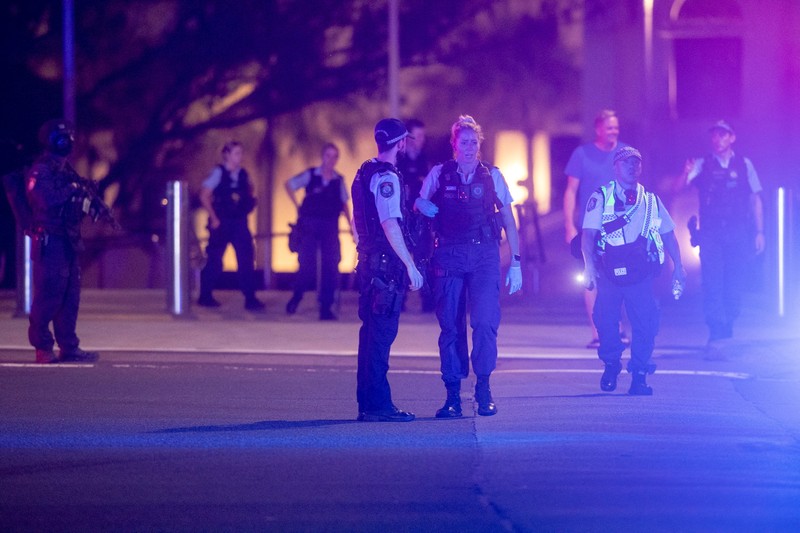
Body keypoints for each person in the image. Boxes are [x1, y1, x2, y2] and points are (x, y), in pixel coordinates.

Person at [415, 115, 522, 418]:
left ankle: (484, 389)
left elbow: (509, 222)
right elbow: (419, 207)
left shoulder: (492, 175)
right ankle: (452, 396)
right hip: (448, 254)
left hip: (485, 256)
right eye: (464, 142)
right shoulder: (439, 173)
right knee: (450, 325)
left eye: (474, 142)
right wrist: (419, 204)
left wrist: (516, 262)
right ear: (455, 144)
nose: (470, 147)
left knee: (485, 322)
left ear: (480, 144)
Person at [581, 146, 686, 395]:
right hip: (608, 274)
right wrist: (588, 267)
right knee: (605, 323)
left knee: (646, 324)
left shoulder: (650, 200)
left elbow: (669, 235)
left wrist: (679, 266)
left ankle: (639, 375)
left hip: (640, 276)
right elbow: (588, 236)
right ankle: (611, 364)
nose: (632, 167)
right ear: (615, 167)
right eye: (626, 162)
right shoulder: (601, 197)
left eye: (636, 163)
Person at [352, 118, 424, 422]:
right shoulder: (387, 177)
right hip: (384, 269)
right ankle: (379, 406)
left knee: (369, 336)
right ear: (401, 143)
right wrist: (410, 265)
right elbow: (390, 223)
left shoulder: (363, 171)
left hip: (368, 264)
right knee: (380, 337)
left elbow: (362, 221)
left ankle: (368, 404)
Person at [25, 119, 104, 364]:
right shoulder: (42, 170)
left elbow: (73, 198)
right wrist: (73, 191)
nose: (67, 140)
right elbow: (45, 199)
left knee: (70, 298)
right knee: (49, 297)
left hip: (68, 239)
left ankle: (69, 346)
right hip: (51, 241)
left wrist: (88, 203)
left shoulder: (65, 168)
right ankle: (43, 347)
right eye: (63, 136)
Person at [683, 120, 765, 345]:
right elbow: (680, 188)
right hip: (711, 233)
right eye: (714, 135)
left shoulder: (744, 164)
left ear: (732, 137)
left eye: (722, 135)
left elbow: (755, 198)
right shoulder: (702, 164)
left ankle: (728, 323)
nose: (717, 139)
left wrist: (759, 231)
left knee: (734, 281)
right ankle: (716, 329)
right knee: (712, 282)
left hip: (737, 231)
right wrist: (685, 173)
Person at [563, 109, 630, 348]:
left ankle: (619, 329)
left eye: (616, 127)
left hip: (620, 227)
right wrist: (569, 225)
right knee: (590, 278)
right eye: (610, 127)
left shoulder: (625, 154)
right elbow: (571, 191)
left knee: (620, 277)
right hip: (590, 228)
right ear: (599, 129)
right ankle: (598, 332)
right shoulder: (582, 155)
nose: (614, 131)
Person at [284, 142, 352, 320]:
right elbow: (290, 185)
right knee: (307, 265)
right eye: (328, 155)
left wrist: (351, 227)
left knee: (331, 266)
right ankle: (296, 297)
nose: (331, 160)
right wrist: (297, 206)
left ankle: (326, 307)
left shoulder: (338, 180)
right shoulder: (311, 175)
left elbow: (344, 204)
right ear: (323, 156)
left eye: (334, 156)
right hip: (310, 226)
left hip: (330, 227)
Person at [197, 141, 264, 311]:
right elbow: (204, 195)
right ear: (227, 154)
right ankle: (205, 296)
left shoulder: (243, 174)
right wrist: (214, 218)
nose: (239, 157)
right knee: (215, 260)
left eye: (240, 153)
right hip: (222, 222)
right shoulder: (218, 173)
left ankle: (250, 297)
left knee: (246, 258)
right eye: (236, 153)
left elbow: (250, 191)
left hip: (240, 222)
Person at [396, 118, 434, 312]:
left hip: (421, 218)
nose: (420, 140)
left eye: (422, 136)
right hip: (402, 217)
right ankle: (398, 300)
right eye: (417, 136)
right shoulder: (398, 159)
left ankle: (426, 301)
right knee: (401, 257)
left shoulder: (425, 160)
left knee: (423, 257)